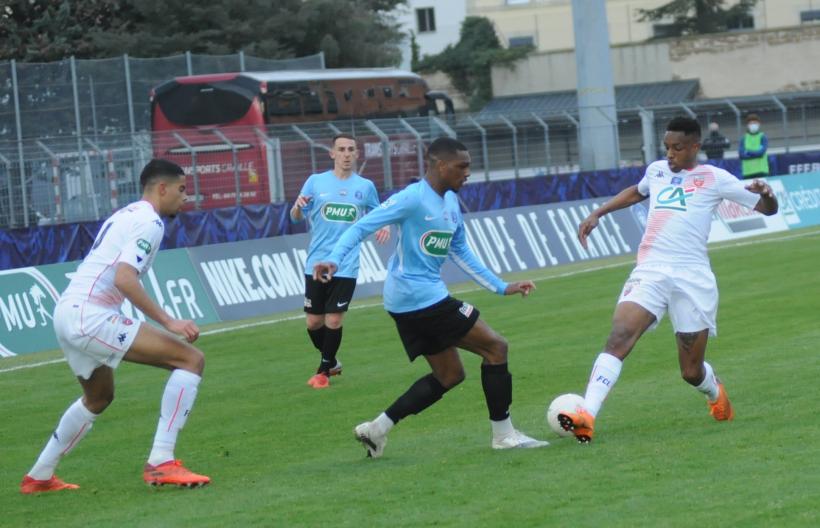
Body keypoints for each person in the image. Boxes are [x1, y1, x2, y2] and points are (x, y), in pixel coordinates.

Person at [313, 137, 548, 457]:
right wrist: (335, 259)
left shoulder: (450, 203)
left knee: (450, 375)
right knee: (496, 347)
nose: (467, 173)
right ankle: (504, 435)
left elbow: (460, 250)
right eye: (462, 166)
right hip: (418, 296)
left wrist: (500, 286)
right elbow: (359, 228)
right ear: (440, 165)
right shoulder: (412, 198)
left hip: (410, 301)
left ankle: (376, 430)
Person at [560, 116, 778, 444]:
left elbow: (767, 209)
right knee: (619, 336)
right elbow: (637, 192)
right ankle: (587, 414)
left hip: (692, 278)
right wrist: (598, 213)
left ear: (695, 147)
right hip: (651, 270)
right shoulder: (658, 170)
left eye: (677, 148)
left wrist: (768, 193)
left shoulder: (715, 178)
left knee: (691, 372)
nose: (670, 154)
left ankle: (714, 390)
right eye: (667, 147)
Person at [20, 159, 210, 494]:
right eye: (181, 189)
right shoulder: (150, 222)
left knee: (98, 396)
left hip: (68, 311)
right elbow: (125, 279)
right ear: (161, 188)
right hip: (90, 315)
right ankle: (161, 462)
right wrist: (169, 321)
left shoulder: (127, 213)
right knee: (190, 360)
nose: (186, 197)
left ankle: (39, 476)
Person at [290, 134, 390, 389]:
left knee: (333, 320)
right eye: (341, 150)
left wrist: (384, 225)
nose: (346, 154)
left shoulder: (365, 186)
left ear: (357, 154)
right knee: (314, 322)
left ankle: (323, 372)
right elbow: (295, 217)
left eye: (351, 150)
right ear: (332, 154)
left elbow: (378, 213)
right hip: (316, 262)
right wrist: (298, 207)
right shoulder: (315, 182)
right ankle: (332, 361)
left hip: (346, 263)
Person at [739, 114, 770, 179]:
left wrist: (748, 152)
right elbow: (741, 155)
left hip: (761, 171)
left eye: (755, 123)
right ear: (747, 125)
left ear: (759, 124)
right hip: (748, 172)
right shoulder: (744, 138)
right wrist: (755, 153)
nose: (753, 125)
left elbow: (761, 153)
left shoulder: (762, 137)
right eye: (751, 123)